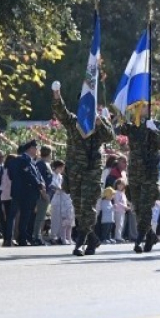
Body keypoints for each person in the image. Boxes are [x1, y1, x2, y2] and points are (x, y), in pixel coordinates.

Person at [51, 82, 116, 257]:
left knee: (88, 207)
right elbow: (60, 112)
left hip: (92, 169)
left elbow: (110, 136)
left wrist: (99, 121)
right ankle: (93, 239)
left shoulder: (98, 122)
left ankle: (80, 243)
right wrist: (57, 93)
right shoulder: (73, 121)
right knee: (79, 209)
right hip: (74, 170)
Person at [117, 117, 160, 254]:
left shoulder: (158, 125)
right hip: (134, 173)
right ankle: (150, 235)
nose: (140, 108)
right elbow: (118, 129)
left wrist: (153, 129)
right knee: (138, 208)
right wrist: (121, 116)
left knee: (146, 207)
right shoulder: (133, 125)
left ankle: (139, 239)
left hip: (149, 173)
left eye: (143, 105)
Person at [7, 140, 45, 247]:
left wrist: (41, 182)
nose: (37, 150)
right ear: (31, 149)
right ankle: (21, 239)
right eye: (35, 148)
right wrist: (38, 184)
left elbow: (36, 174)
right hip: (23, 193)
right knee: (23, 216)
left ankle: (23, 237)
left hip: (28, 192)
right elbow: (28, 174)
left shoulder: (30, 160)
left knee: (26, 216)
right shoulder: (22, 160)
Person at [32, 146, 54, 244]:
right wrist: (44, 194)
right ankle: (36, 236)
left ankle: (38, 236)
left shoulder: (47, 164)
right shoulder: (40, 164)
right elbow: (39, 181)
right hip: (42, 195)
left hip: (48, 194)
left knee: (42, 217)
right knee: (40, 217)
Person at [113, 179, 129, 243]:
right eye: (119, 184)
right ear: (116, 185)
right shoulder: (116, 192)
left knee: (121, 224)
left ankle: (119, 236)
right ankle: (117, 237)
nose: (121, 186)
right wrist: (125, 207)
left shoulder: (123, 193)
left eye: (122, 185)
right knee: (118, 224)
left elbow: (125, 201)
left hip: (122, 211)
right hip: (117, 211)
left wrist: (128, 206)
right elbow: (117, 202)